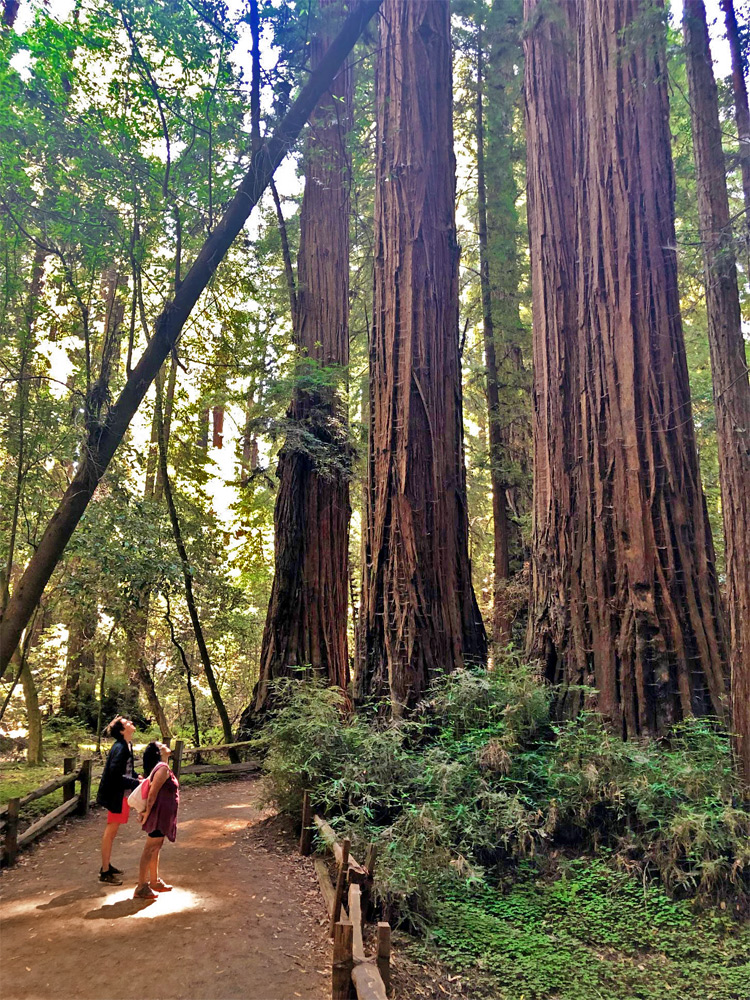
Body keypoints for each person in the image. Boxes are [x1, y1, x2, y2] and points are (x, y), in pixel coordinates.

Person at [96, 716, 140, 885]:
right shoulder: (121, 747)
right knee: (111, 830)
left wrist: (137, 777)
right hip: (116, 795)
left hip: (122, 794)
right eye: (127, 723)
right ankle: (105, 872)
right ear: (122, 731)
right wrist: (136, 782)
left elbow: (127, 770)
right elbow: (115, 776)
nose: (131, 722)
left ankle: (106, 866)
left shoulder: (127, 745)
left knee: (113, 831)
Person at [133, 740, 180, 900]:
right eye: (162, 746)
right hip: (158, 814)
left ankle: (154, 881)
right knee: (150, 848)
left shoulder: (162, 768)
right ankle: (141, 886)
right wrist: (146, 813)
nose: (166, 746)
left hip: (163, 815)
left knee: (156, 847)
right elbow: (152, 795)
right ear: (159, 753)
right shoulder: (162, 769)